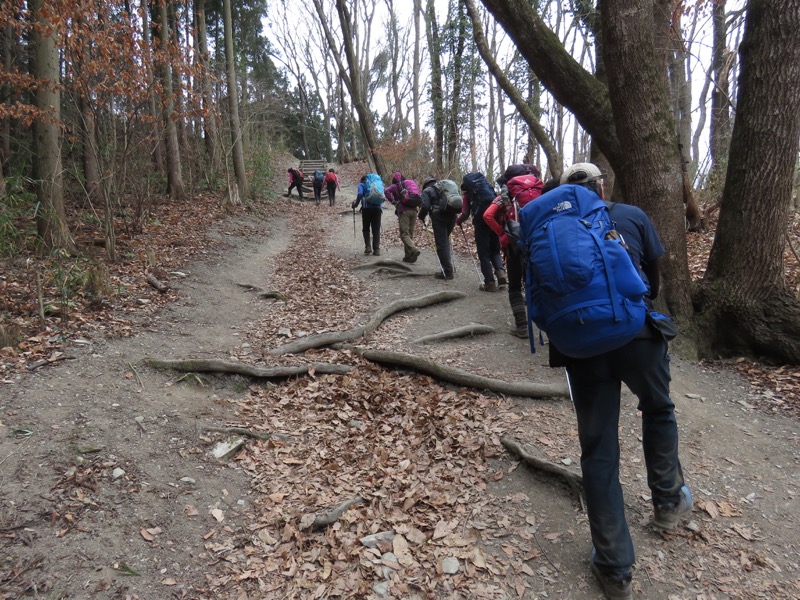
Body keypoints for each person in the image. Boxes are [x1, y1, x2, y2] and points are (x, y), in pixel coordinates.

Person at [547, 163, 691, 600]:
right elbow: (654, 278)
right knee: (658, 408)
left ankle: (614, 568)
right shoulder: (630, 215)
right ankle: (668, 502)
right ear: (601, 186)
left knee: (599, 449)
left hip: (580, 347)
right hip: (636, 335)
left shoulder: (549, 229)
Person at [483, 173, 543, 336]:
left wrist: (503, 234)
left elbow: (487, 215)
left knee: (515, 286)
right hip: (538, 244)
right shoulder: (539, 192)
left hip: (514, 246)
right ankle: (547, 325)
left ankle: (522, 326)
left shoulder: (505, 195)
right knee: (536, 284)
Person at [457, 172, 506, 291]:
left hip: (480, 222)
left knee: (484, 253)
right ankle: (500, 273)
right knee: (495, 250)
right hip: (494, 219)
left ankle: (489, 283)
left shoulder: (468, 195)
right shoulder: (488, 188)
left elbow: (465, 213)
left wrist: (459, 221)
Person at [418, 178, 458, 279]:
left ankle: (447, 272)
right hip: (453, 215)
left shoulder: (427, 191)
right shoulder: (445, 189)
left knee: (441, 244)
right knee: (445, 241)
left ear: (426, 185)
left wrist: (421, 216)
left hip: (439, 217)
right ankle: (448, 268)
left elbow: (425, 206)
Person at [384, 171, 421, 263]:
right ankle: (408, 256)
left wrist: (393, 201)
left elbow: (386, 191)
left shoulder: (395, 186)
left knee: (404, 234)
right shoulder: (409, 184)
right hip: (414, 211)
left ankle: (413, 249)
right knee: (409, 234)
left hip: (404, 211)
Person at [351, 174, 383, 256]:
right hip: (377, 209)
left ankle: (368, 247)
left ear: (361, 180)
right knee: (376, 229)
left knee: (366, 228)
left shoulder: (362, 184)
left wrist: (356, 204)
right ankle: (376, 249)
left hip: (366, 209)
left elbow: (360, 194)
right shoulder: (376, 183)